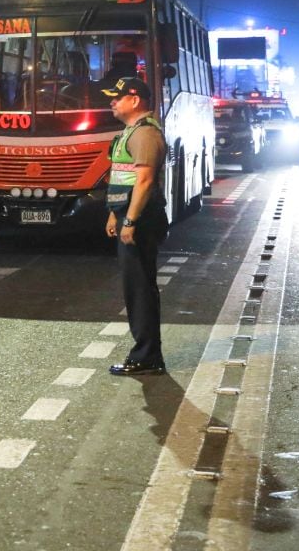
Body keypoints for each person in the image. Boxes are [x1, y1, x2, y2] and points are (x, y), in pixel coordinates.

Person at [103, 76, 169, 375]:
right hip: (130, 217)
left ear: (135, 100)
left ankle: (146, 356)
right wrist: (115, 214)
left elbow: (144, 181)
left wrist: (129, 220)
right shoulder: (130, 132)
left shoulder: (144, 134)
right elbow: (122, 178)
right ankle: (146, 353)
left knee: (140, 288)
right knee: (135, 287)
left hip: (142, 221)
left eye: (117, 97)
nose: (112, 103)